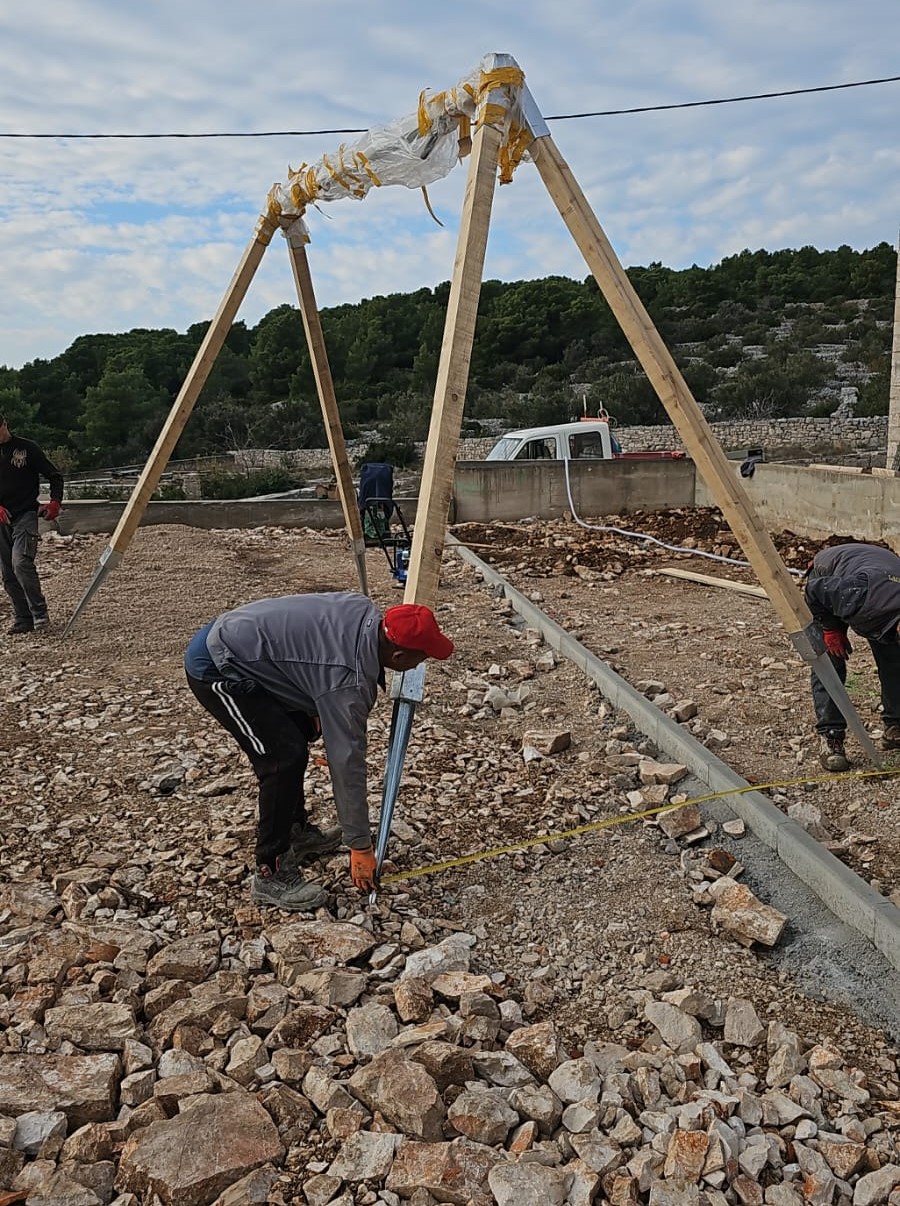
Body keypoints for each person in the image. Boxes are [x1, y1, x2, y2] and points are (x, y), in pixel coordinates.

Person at [184, 592, 454, 910]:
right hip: (219, 664)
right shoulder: (347, 682)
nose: (420, 665)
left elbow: (311, 654)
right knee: (282, 758)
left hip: (249, 644)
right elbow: (346, 761)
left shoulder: (362, 609)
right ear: (397, 658)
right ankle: (269, 872)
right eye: (420, 659)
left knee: (297, 734)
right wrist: (360, 845)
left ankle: (294, 833)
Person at [804, 541, 900, 771]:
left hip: (877, 575)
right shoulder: (861, 597)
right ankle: (831, 736)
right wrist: (830, 629)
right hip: (830, 577)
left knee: (894, 661)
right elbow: (814, 591)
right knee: (830, 660)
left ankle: (895, 726)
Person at [0, 415, 64, 635]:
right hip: (2, 518)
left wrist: (55, 501)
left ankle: (39, 613)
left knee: (21, 563)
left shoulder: (27, 449)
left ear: (5, 425)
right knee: (8, 572)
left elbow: (54, 475)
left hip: (25, 513)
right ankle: (23, 617)